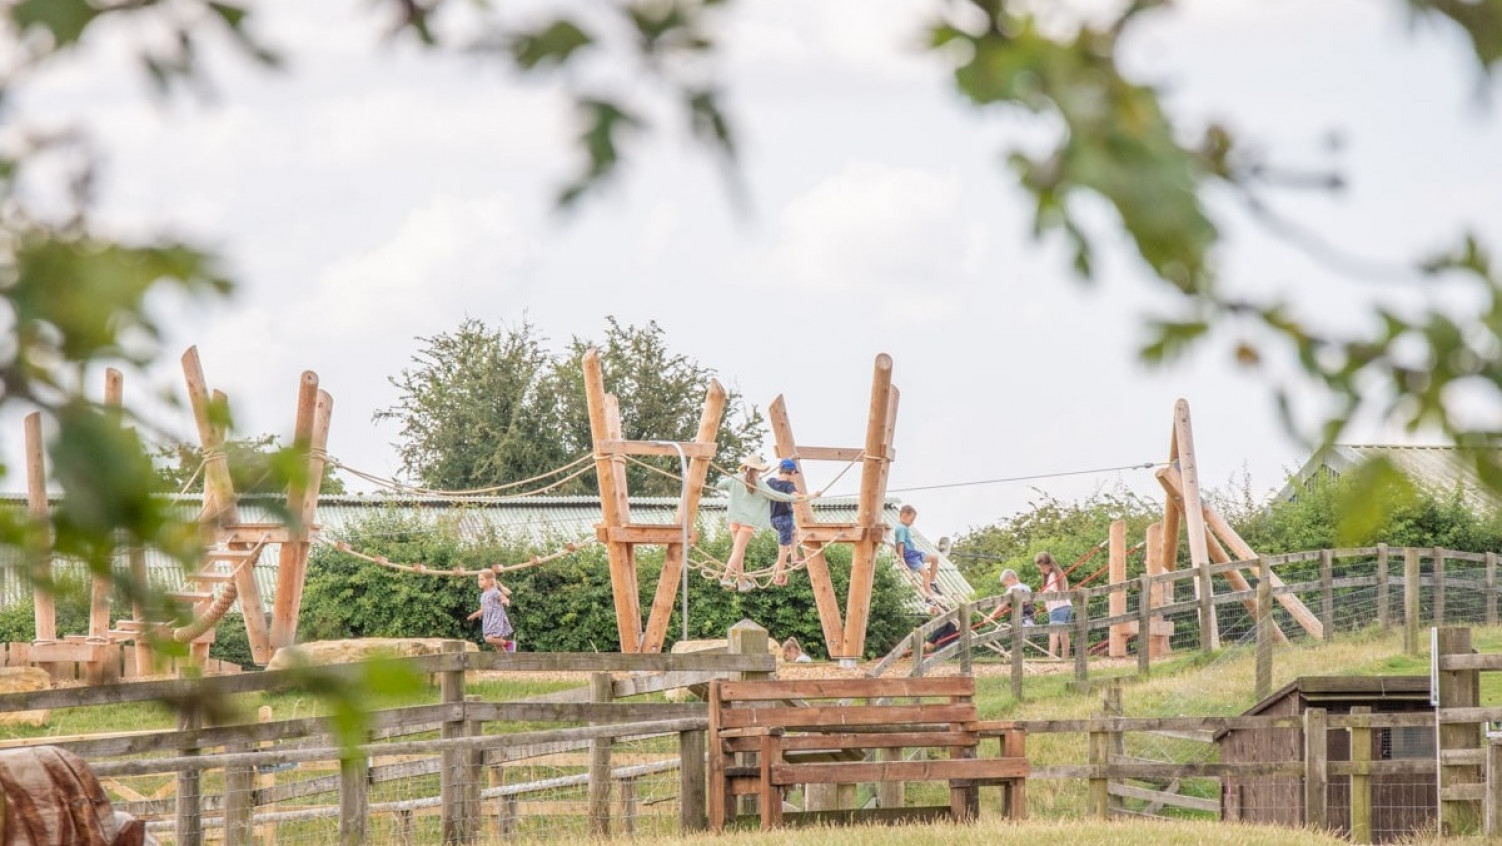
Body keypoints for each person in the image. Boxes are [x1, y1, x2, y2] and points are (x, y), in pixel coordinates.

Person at [714, 455, 800, 592]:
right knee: (737, 552)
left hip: (734, 520)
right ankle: (726, 578)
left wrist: (733, 485)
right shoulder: (759, 484)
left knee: (739, 552)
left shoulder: (735, 479)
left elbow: (719, 485)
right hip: (747, 523)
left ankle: (742, 583)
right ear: (757, 470)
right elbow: (775, 495)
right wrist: (793, 499)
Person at [766, 458, 804, 586]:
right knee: (783, 548)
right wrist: (805, 496)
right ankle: (779, 575)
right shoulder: (789, 486)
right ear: (792, 472)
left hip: (773, 519)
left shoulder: (770, 482)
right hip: (785, 519)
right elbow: (795, 495)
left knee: (794, 532)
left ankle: (794, 557)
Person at [894, 505, 940, 599]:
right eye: (911, 519)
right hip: (909, 556)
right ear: (904, 515)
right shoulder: (901, 528)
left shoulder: (904, 527)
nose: (912, 522)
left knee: (934, 558)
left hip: (914, 553)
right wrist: (901, 558)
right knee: (925, 573)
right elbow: (901, 543)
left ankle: (932, 582)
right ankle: (929, 596)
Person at [467, 570, 515, 652]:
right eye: (479, 580)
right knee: (497, 645)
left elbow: (504, 599)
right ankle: (504, 661)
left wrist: (505, 602)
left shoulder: (494, 592)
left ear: (490, 581)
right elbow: (482, 610)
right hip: (488, 620)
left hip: (496, 618)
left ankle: (509, 644)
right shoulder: (483, 595)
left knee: (489, 639)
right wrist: (474, 615)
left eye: (482, 579)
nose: (479, 582)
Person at [1037, 552, 1071, 658]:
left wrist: (1040, 595)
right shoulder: (1060, 574)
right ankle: (1065, 658)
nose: (1041, 570)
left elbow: (1050, 591)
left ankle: (1051, 657)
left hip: (1057, 608)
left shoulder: (1052, 575)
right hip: (1067, 606)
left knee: (1053, 634)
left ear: (1049, 565)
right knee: (1064, 634)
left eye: (1042, 567)